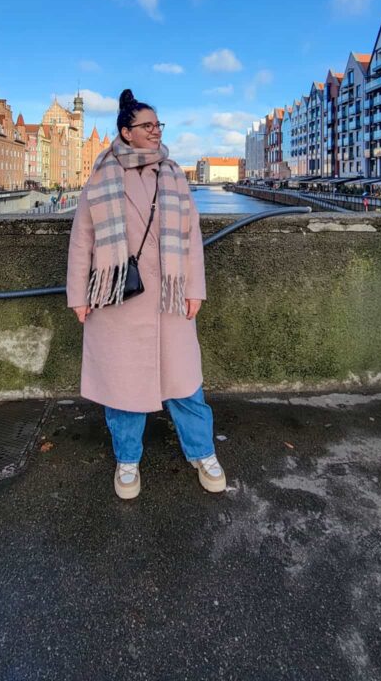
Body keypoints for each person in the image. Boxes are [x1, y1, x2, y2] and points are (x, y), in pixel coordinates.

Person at [67, 88, 226, 500]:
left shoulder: (172, 174)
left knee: (186, 384)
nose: (156, 131)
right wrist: (78, 297)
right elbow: (82, 239)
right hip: (117, 296)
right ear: (126, 132)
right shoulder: (101, 176)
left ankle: (203, 452)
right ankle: (127, 460)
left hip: (169, 297)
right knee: (123, 391)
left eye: (159, 125)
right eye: (147, 126)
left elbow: (191, 238)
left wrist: (195, 289)